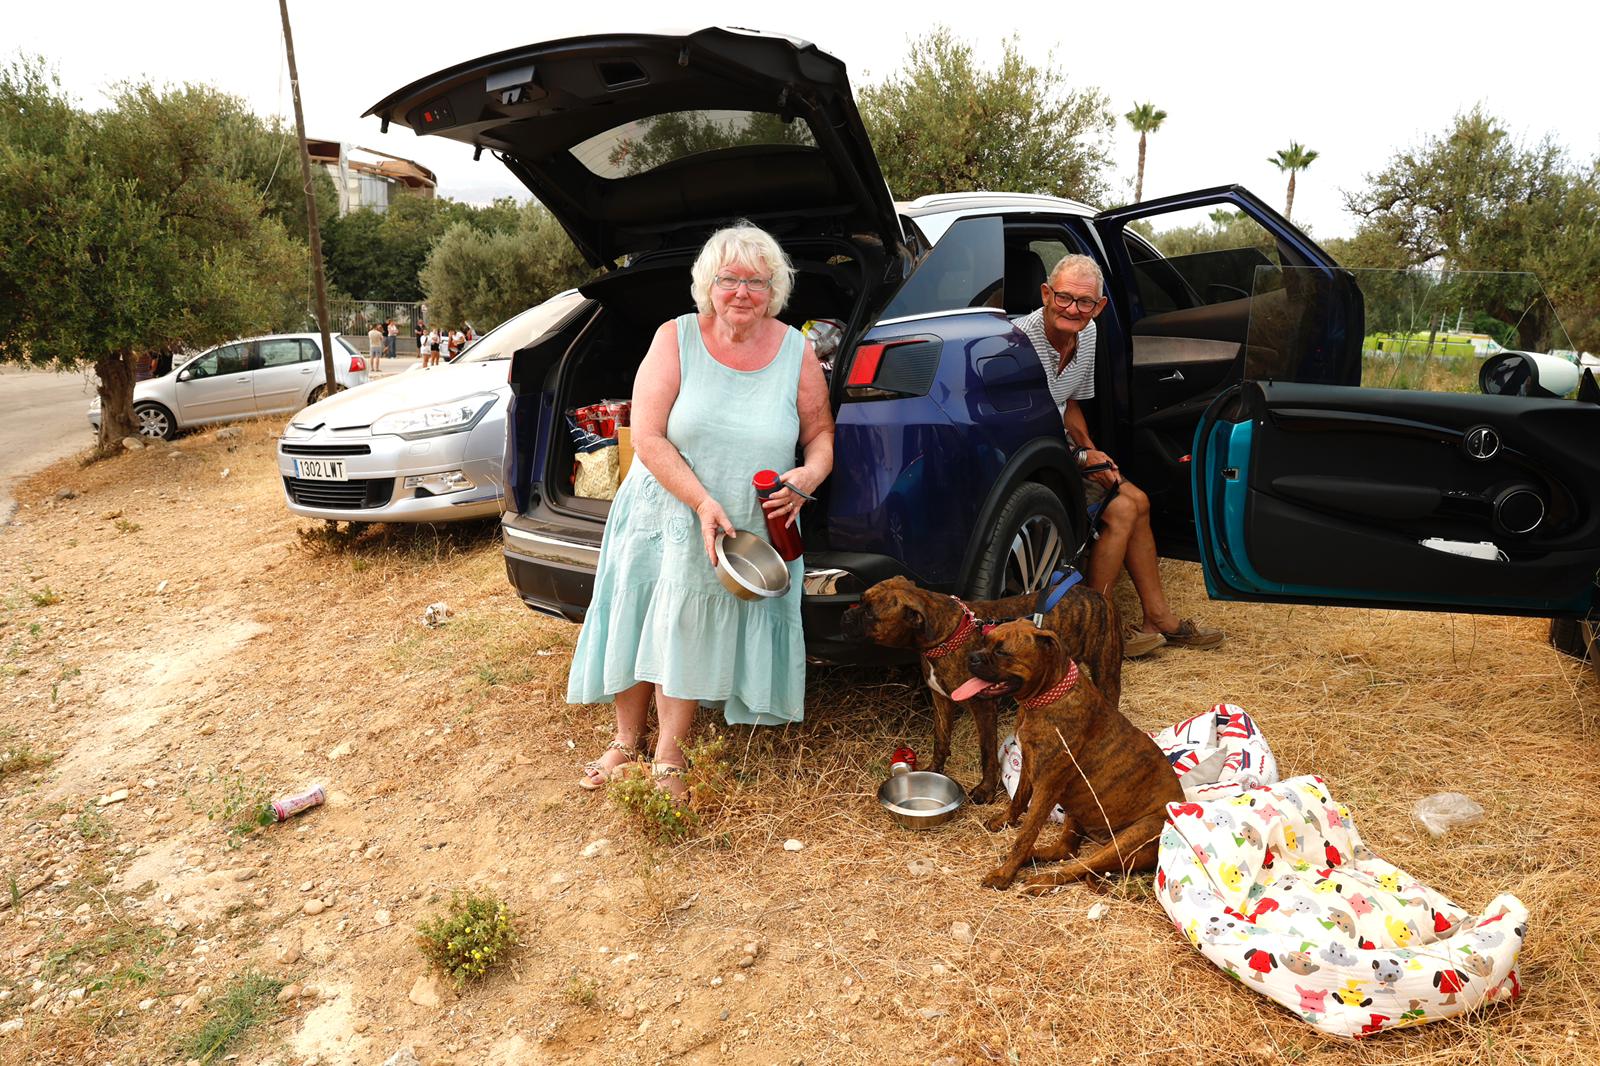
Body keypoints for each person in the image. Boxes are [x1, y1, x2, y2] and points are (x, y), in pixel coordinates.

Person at [567, 222, 834, 797]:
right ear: (707, 285)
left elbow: (820, 436)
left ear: (775, 290)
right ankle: (624, 740)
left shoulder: (796, 350)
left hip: (746, 517)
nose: (742, 292)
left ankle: (669, 755)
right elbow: (649, 434)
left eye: (757, 282)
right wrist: (700, 500)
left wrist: (809, 474)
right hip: (666, 506)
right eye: (729, 279)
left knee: (685, 625)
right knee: (643, 615)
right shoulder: (676, 337)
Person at [1016, 253, 1223, 658]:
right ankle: (1097, 629)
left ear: (1100, 307)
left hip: (1062, 449)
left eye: (1085, 303)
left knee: (1138, 499)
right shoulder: (1020, 341)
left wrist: (1093, 452)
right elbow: (1023, 427)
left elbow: (1069, 404)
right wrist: (1080, 460)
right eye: (1063, 298)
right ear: (1045, 294)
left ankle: (1158, 619)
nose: (1073, 310)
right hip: (1028, 458)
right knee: (1122, 510)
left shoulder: (1087, 333)